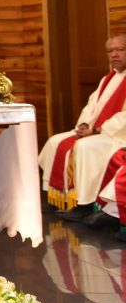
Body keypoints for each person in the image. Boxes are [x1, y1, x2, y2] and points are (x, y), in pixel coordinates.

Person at [38, 34, 126, 218]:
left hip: (116, 135)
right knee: (55, 141)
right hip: (95, 130)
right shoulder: (108, 79)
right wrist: (84, 124)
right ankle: (58, 198)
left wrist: (96, 130)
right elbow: (91, 105)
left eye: (120, 50)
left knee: (84, 147)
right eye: (110, 51)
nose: (114, 55)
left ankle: (84, 204)